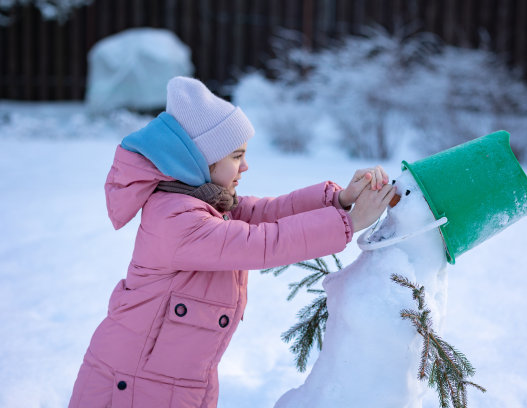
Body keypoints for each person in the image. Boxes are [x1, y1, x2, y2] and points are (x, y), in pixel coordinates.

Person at [68, 76, 396, 408]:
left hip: (173, 379)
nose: (246, 166)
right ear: (200, 160)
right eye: (236, 156)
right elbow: (262, 242)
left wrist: (339, 200)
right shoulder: (176, 220)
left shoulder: (202, 202)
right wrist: (350, 222)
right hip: (134, 384)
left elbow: (264, 213)